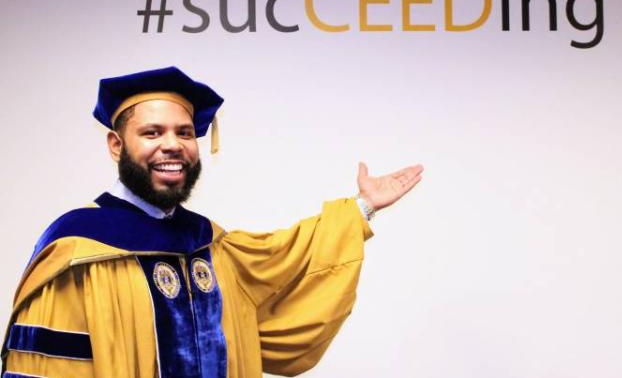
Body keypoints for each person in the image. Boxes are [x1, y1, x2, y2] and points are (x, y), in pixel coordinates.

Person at [0, 67, 423, 378]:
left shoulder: (209, 243)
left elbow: (286, 257)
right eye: (152, 133)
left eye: (185, 133)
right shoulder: (77, 252)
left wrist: (362, 207)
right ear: (116, 145)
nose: (173, 145)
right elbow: (45, 366)